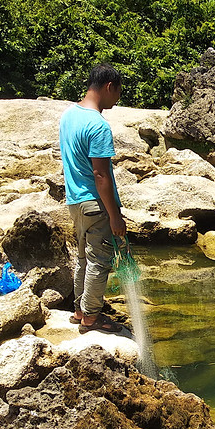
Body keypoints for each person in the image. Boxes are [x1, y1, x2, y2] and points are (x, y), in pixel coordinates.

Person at [60, 63, 128, 334]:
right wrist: (115, 216)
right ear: (109, 87)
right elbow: (101, 175)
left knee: (83, 259)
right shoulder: (97, 125)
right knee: (100, 260)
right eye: (118, 92)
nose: (118, 99)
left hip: (74, 201)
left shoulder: (69, 115)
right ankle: (91, 316)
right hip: (94, 203)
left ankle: (79, 310)